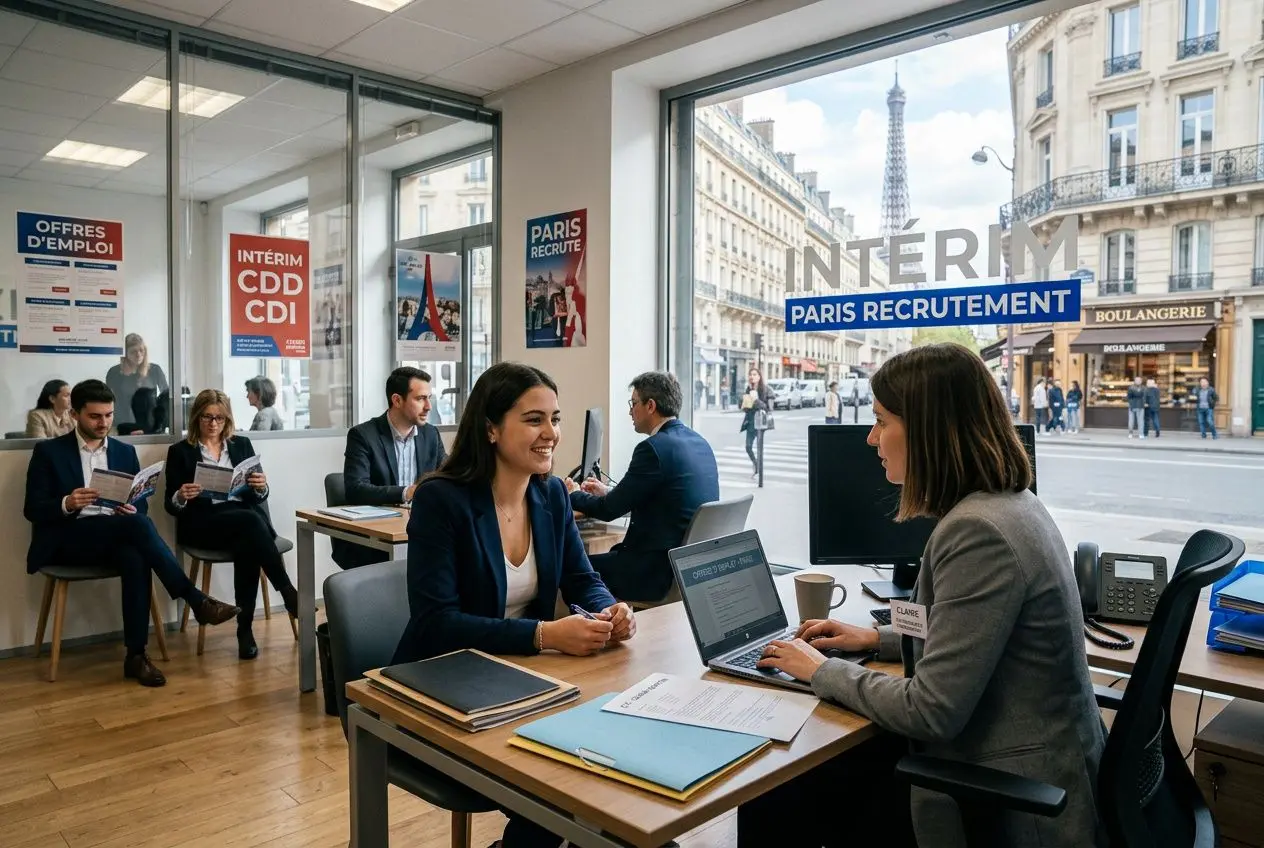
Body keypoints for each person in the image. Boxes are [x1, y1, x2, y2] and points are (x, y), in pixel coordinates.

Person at [749, 343, 1105, 848]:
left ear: (927, 431)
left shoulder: (979, 532)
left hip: (1011, 800)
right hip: (1032, 766)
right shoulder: (1010, 505)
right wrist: (875, 639)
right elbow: (974, 636)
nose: (871, 438)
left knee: (782, 794)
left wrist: (820, 670)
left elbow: (930, 710)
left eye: (881, 421)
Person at [392, 362, 635, 848]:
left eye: (555, 419)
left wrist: (610, 609)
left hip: (523, 679)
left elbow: (581, 578)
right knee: (565, 785)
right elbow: (437, 623)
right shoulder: (443, 500)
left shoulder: (552, 494)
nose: (551, 433)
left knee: (609, 772)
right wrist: (542, 635)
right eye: (534, 420)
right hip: (445, 681)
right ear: (491, 429)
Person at [23, 380, 239, 687]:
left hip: (114, 534)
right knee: (137, 528)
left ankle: (136, 656)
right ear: (74, 414)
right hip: (68, 540)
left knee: (135, 553)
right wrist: (67, 502)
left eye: (109, 415)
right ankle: (195, 599)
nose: (104, 423)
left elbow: (141, 505)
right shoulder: (49, 452)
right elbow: (32, 509)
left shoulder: (124, 451)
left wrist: (131, 509)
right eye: (95, 416)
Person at [164, 390, 298, 660]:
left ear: (228, 419)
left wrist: (261, 487)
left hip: (241, 523)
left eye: (220, 418)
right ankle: (288, 593)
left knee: (247, 542)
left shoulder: (241, 445)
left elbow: (258, 495)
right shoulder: (180, 451)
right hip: (203, 524)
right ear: (196, 417)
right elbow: (170, 504)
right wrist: (181, 496)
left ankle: (244, 630)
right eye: (207, 417)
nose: (214, 424)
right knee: (250, 523)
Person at [563, 372, 719, 602]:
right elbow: (667, 501)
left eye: (633, 403)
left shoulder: (653, 449)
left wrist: (572, 494)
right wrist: (609, 493)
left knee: (570, 570)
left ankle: (567, 625)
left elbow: (607, 510)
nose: (630, 411)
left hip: (651, 574)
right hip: (687, 571)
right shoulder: (699, 443)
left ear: (650, 406)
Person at [336, 367, 446, 569]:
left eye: (429, 398)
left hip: (423, 532)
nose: (429, 406)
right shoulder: (363, 435)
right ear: (397, 400)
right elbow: (355, 489)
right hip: (374, 540)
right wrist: (407, 492)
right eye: (420, 398)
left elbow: (447, 476)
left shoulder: (430, 435)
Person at [105, 333, 169, 432]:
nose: (138, 354)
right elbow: (108, 400)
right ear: (125, 353)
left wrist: (162, 423)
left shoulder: (155, 370)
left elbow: (166, 397)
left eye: (141, 350)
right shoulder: (114, 372)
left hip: (150, 424)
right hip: (122, 423)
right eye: (133, 351)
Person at [738, 367, 770, 479]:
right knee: (748, 447)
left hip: (761, 422)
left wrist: (756, 399)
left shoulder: (765, 390)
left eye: (754, 374)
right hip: (750, 422)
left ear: (759, 377)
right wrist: (743, 402)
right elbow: (745, 408)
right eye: (750, 374)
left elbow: (768, 408)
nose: (752, 376)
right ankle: (756, 463)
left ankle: (759, 470)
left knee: (759, 447)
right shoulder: (748, 389)